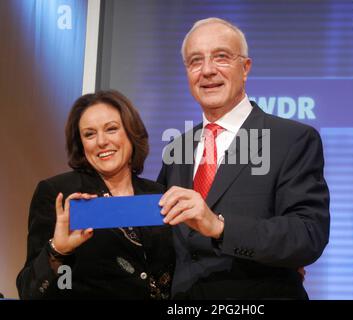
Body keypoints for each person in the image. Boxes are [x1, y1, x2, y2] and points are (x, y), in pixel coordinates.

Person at [157, 17, 330, 299]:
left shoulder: (292, 139)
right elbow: (165, 238)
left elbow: (307, 234)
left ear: (245, 67)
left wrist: (220, 227)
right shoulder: (177, 148)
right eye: (195, 61)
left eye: (221, 57)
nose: (208, 70)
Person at [17, 90, 174, 299]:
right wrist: (57, 251)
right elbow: (29, 291)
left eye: (111, 129)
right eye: (89, 134)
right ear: (81, 144)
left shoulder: (158, 193)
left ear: (131, 133)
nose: (101, 141)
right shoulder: (60, 194)